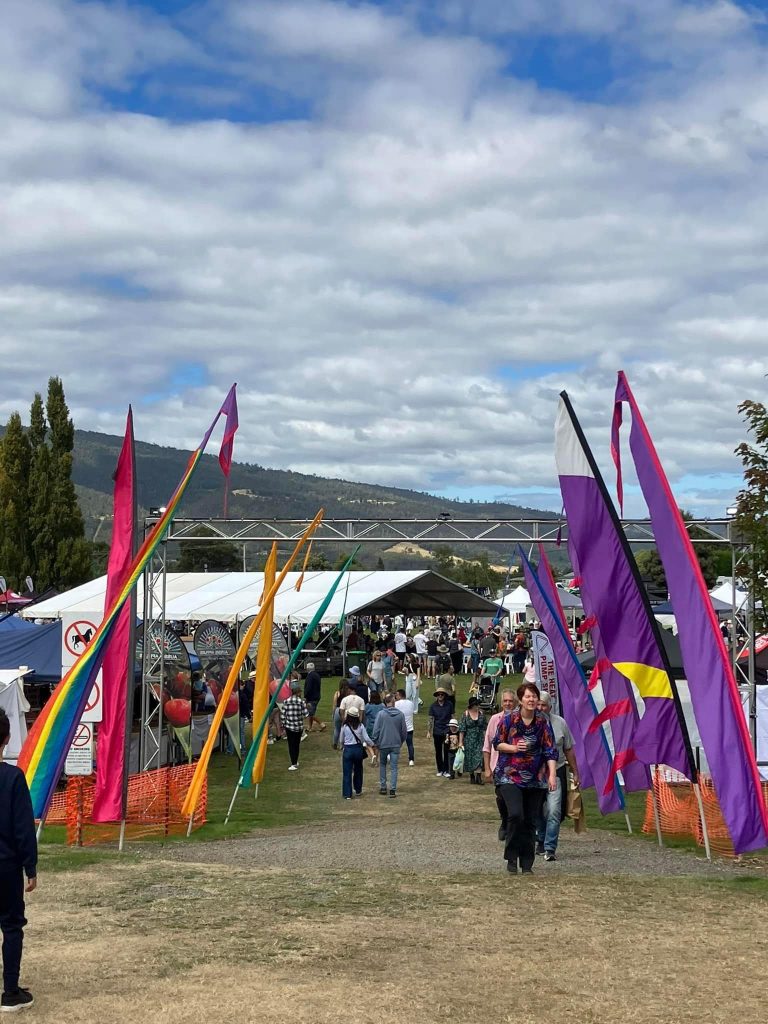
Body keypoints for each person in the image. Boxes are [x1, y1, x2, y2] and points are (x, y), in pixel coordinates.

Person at [492, 683, 558, 874]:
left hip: (535, 779)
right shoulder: (508, 720)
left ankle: (527, 862)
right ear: (520, 700)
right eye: (527, 697)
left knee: (530, 820)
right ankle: (511, 857)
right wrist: (513, 748)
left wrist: (552, 774)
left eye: (534, 697)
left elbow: (550, 750)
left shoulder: (542, 722)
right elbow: (497, 743)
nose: (531, 700)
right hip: (509, 776)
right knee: (516, 815)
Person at [0, 711, 37, 1012]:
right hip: (6, 866)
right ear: (7, 739)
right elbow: (23, 827)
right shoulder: (13, 778)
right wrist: (31, 867)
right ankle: (10, 991)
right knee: (12, 926)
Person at [535, 692, 579, 862]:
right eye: (537, 704)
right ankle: (541, 838)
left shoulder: (560, 723)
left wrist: (575, 771)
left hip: (557, 770)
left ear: (550, 707)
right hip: (536, 772)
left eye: (543, 705)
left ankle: (549, 847)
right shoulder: (530, 723)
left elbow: (568, 749)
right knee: (538, 809)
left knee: (555, 811)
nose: (540, 708)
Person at [483, 690, 519, 840]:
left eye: (510, 701)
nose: (508, 704)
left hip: (515, 766)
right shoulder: (494, 719)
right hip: (498, 765)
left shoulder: (519, 720)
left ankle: (512, 825)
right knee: (501, 797)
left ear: (515, 703)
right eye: (505, 701)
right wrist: (487, 769)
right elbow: (487, 745)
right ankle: (504, 821)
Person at [372, 694, 407, 797]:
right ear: (393, 702)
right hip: (396, 744)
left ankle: (383, 787)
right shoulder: (400, 715)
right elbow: (404, 731)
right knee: (394, 767)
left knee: (383, 765)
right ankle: (392, 789)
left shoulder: (381, 714)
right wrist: (401, 741)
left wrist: (376, 741)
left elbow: (376, 730)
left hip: (383, 744)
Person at [339, 707, 374, 800]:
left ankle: (347, 794)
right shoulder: (361, 726)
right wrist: (372, 744)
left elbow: (341, 739)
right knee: (358, 770)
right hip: (358, 749)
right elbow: (366, 738)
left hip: (348, 749)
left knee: (347, 772)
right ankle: (358, 789)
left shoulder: (345, 726)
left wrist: (342, 745)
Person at [280, 681, 309, 771]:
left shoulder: (286, 701)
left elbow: (283, 714)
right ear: (298, 692)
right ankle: (295, 761)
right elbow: (306, 714)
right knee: (296, 745)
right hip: (299, 727)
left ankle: (294, 763)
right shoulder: (301, 702)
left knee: (291, 745)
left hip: (289, 727)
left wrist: (284, 724)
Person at [459, 696, 487, 784]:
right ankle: (472, 776)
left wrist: (486, 739)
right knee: (470, 757)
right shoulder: (465, 714)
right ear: (472, 705)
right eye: (476, 704)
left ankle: (478, 776)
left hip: (479, 739)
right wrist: (460, 742)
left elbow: (485, 727)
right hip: (469, 739)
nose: (478, 706)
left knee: (479, 756)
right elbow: (462, 729)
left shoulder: (482, 714)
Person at [426, 687, 453, 777]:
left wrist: (454, 729)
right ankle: (440, 769)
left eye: (442, 694)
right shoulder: (433, 706)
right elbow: (430, 719)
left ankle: (446, 770)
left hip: (447, 731)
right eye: (438, 694)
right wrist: (428, 731)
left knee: (446, 751)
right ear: (436, 696)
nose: (440, 696)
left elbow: (453, 717)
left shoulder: (449, 705)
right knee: (438, 751)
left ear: (444, 695)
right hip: (437, 731)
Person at [395, 688, 415, 765]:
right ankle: (411, 760)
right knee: (410, 744)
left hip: (400, 728)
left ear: (399, 695)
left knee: (397, 744)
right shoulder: (411, 703)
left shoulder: (396, 704)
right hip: (409, 728)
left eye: (396, 695)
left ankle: (393, 757)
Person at [303, 663, 326, 733]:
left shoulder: (310, 676)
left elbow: (308, 687)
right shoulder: (317, 675)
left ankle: (322, 724)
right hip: (316, 696)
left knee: (310, 713)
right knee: (311, 712)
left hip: (311, 697)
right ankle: (310, 727)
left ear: (307, 668)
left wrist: (305, 695)